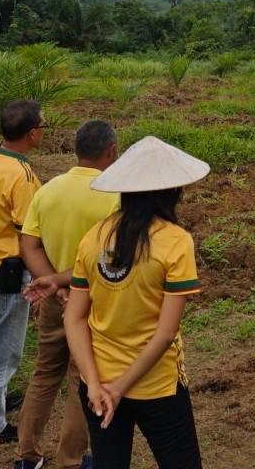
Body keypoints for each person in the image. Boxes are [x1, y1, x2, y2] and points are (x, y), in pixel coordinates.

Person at [65, 136, 209, 469]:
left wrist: (96, 383)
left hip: (97, 386)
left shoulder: (94, 237)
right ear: (172, 190)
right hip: (156, 386)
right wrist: (120, 388)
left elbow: (74, 318)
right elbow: (165, 332)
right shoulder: (175, 242)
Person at [15, 120, 122, 469]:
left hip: (54, 302)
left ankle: (27, 455)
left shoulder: (48, 190)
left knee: (45, 373)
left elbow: (28, 244)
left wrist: (52, 283)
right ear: (111, 152)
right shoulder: (114, 195)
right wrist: (67, 284)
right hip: (93, 302)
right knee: (84, 377)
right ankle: (71, 460)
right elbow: (109, 257)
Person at [0, 100, 44, 445]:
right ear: (32, 134)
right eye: (43, 126)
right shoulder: (23, 175)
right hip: (9, 272)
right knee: (4, 351)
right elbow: (29, 234)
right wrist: (43, 278)